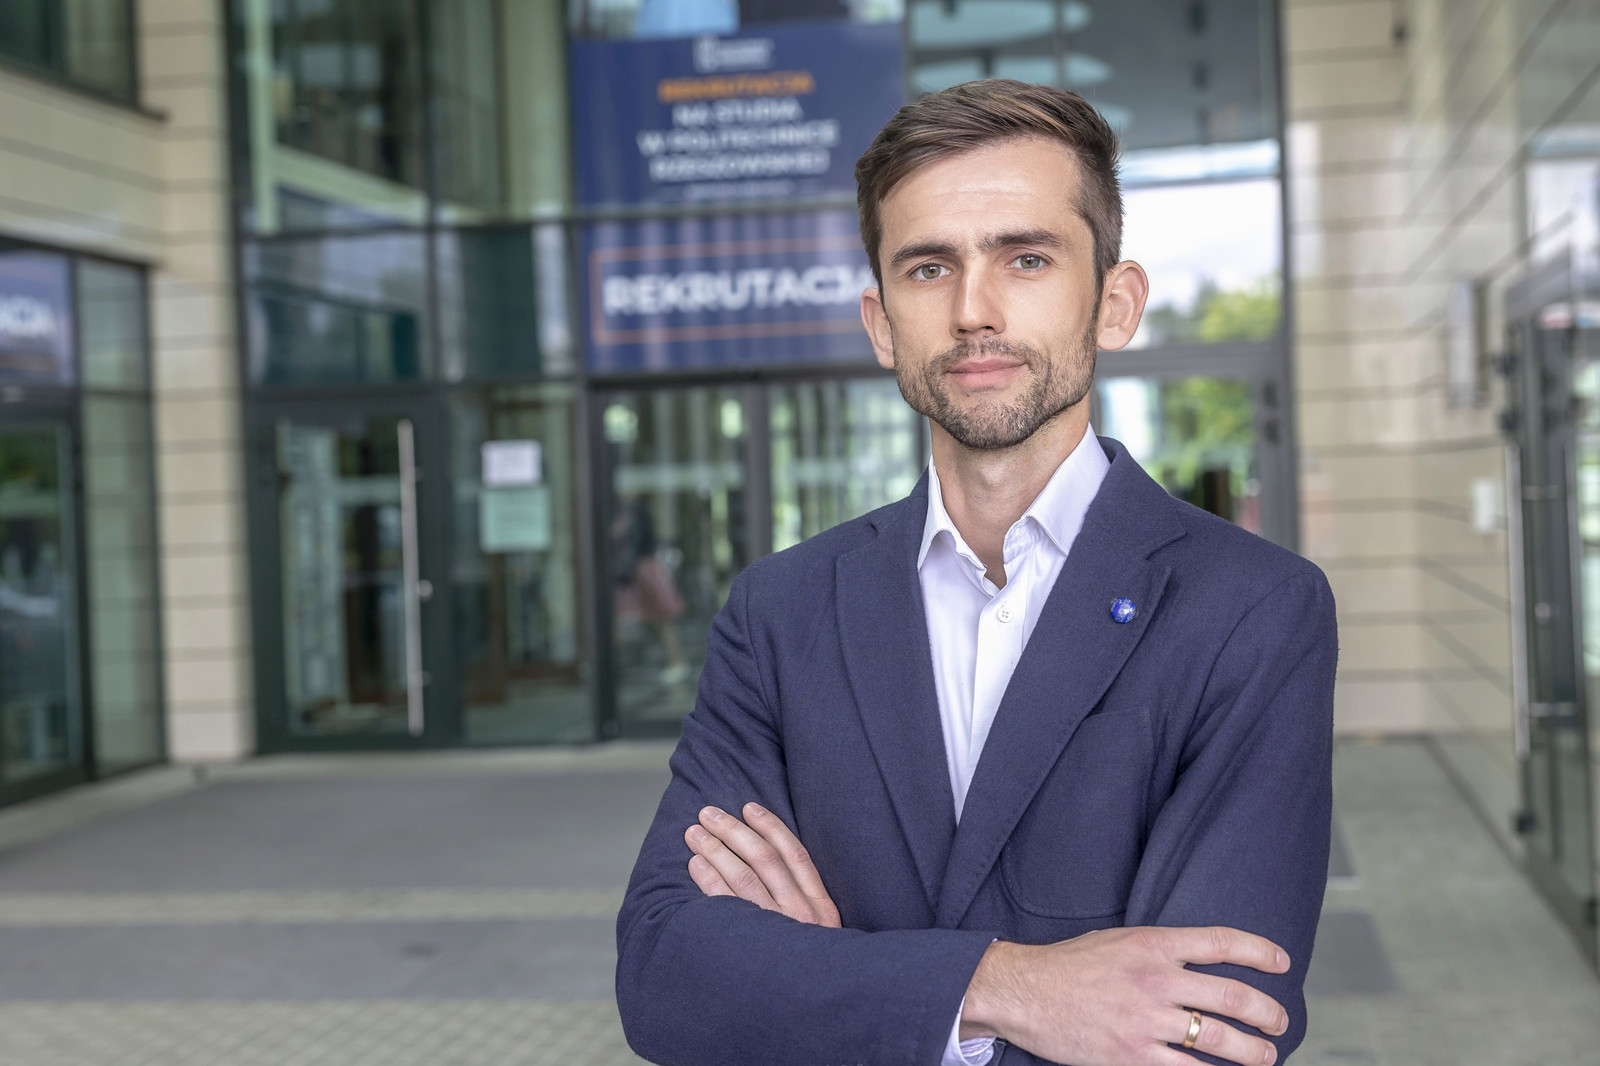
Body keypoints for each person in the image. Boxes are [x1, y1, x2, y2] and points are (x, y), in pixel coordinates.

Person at [616, 79, 1336, 1066]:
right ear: (881, 324)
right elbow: (666, 977)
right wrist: (1007, 989)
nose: (972, 310)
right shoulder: (781, 612)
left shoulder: (1251, 610)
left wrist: (830, 980)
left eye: (1025, 258)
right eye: (928, 268)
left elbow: (1214, 1031)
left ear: (1114, 302)